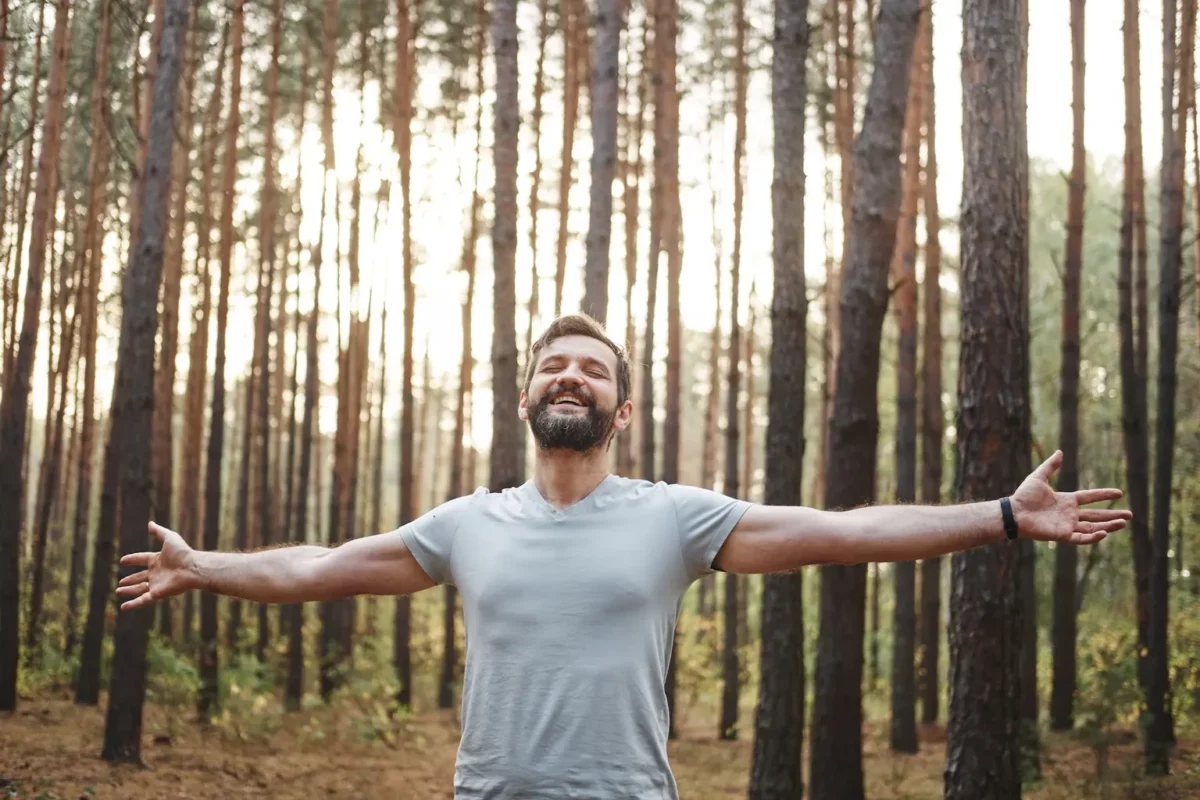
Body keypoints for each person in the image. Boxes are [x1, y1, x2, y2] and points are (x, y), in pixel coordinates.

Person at [117, 313, 1130, 799]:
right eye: (552, 366)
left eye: (591, 369)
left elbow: (850, 529)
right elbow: (317, 566)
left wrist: (1001, 513)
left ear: (621, 408)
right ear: (526, 400)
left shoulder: (675, 518)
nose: (570, 375)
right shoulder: (466, 523)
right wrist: (206, 566)